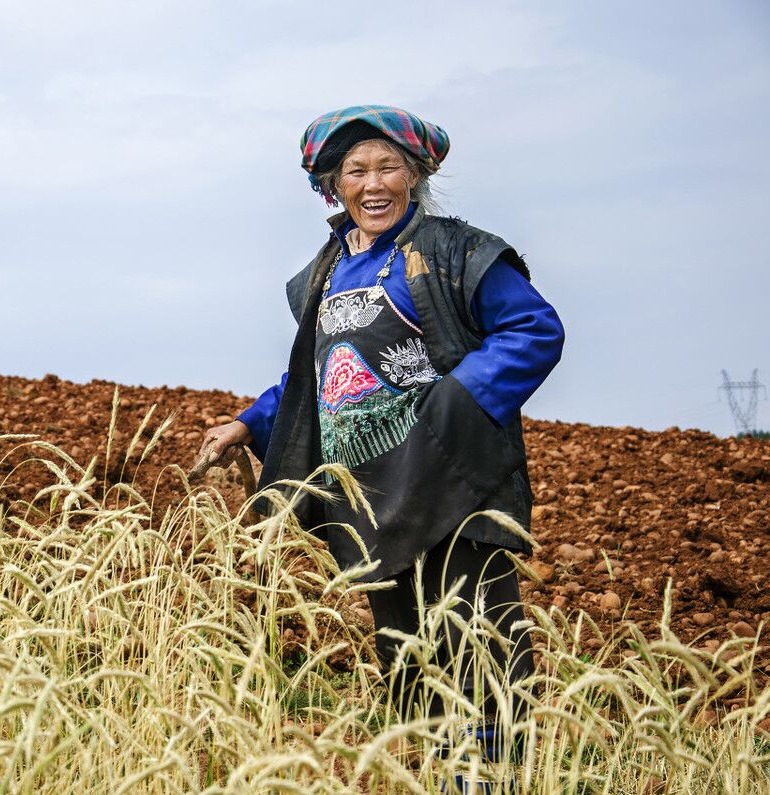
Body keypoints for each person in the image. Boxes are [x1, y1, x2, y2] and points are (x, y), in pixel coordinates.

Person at [201, 105, 564, 776]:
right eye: (354, 171)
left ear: (416, 174)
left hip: (453, 490)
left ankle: (489, 782)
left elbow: (534, 330)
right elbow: (320, 374)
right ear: (331, 186)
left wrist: (455, 402)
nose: (373, 184)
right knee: (412, 665)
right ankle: (437, 777)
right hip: (373, 498)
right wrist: (249, 421)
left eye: (387, 166)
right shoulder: (329, 270)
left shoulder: (453, 251)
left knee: (479, 655)